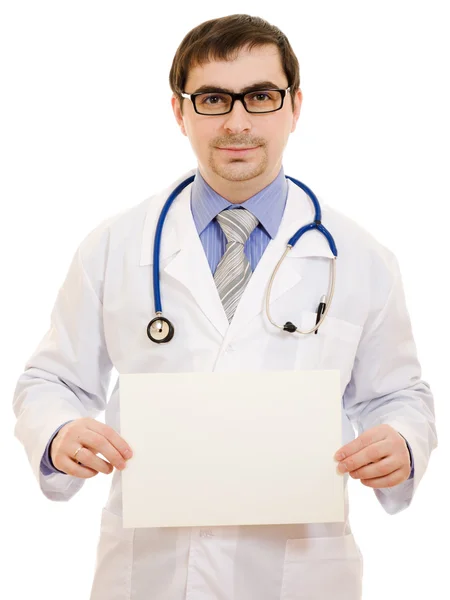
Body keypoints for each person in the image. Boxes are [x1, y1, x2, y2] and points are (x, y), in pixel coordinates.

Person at [12, 13, 436, 600]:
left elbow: (399, 394)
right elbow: (50, 378)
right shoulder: (113, 246)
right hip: (150, 573)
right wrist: (58, 432)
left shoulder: (361, 257)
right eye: (213, 98)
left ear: (294, 106)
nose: (237, 123)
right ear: (179, 111)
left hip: (300, 576)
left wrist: (402, 442)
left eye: (260, 96)